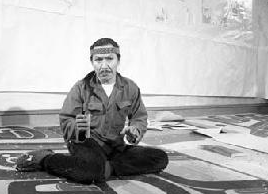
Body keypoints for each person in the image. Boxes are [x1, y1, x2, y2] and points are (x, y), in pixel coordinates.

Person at [16, 37, 168, 183]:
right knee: (89, 172)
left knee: (160, 158)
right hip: (85, 143)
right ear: (92, 62)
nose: (104, 65)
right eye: (98, 60)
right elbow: (66, 118)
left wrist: (135, 130)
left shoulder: (130, 88)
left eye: (109, 59)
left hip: (116, 146)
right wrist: (76, 127)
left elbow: (139, 117)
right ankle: (45, 159)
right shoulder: (81, 87)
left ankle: (103, 168)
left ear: (118, 60)